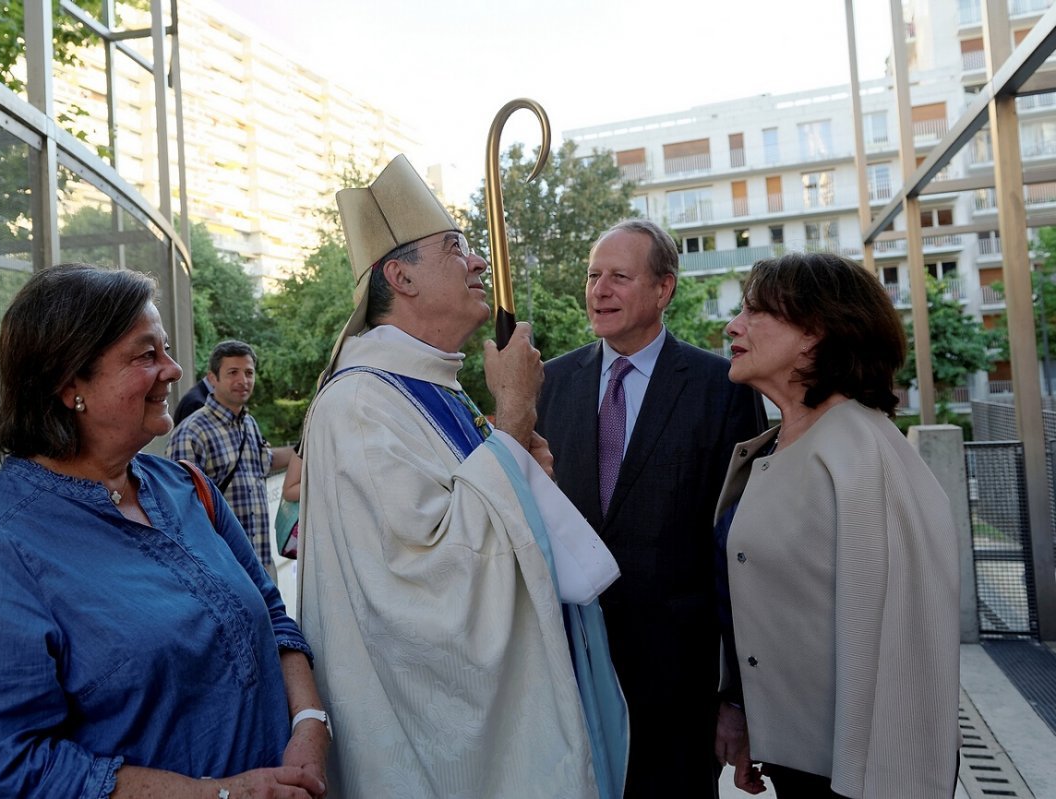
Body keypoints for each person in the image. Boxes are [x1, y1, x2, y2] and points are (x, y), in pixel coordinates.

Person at [0, 264, 329, 799]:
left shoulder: (185, 488)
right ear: (68, 383)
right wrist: (219, 794)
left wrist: (310, 724)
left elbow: (271, 615)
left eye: (165, 350)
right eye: (146, 355)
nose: (173, 371)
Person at [298, 154, 625, 798]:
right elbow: (424, 584)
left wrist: (523, 471)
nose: (478, 262)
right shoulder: (360, 403)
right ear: (400, 276)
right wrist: (512, 416)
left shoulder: (431, 387)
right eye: (456, 248)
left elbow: (478, 516)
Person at [714, 251, 959, 798]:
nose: (733, 326)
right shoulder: (783, 441)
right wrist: (758, 722)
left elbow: (903, 642)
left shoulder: (862, 451)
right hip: (800, 759)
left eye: (756, 311)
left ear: (815, 333)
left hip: (859, 774)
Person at [536, 218, 767, 798]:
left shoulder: (725, 389)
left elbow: (740, 554)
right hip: (570, 678)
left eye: (619, 276)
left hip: (679, 695)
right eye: (593, 276)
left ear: (664, 289)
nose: (599, 290)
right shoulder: (547, 384)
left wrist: (735, 699)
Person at [168, 340, 293, 581]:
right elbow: (181, 510)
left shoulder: (249, 423)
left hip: (262, 565)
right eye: (232, 372)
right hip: (224, 571)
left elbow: (265, 462)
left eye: (249, 372)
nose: (243, 381)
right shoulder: (192, 433)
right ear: (212, 378)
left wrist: (308, 445)